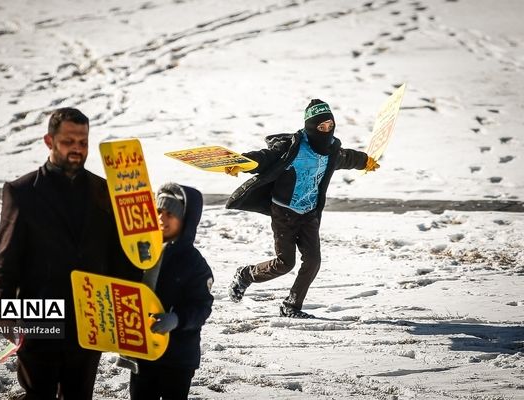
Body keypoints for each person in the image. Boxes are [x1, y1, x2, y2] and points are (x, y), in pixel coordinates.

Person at [0, 107, 140, 399]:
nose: (77, 149)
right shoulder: (21, 192)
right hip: (39, 315)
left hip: (91, 318)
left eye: (83, 142)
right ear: (49, 141)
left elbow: (118, 257)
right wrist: (2, 313)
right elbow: (5, 261)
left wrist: (131, 307)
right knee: (39, 393)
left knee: (79, 395)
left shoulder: (104, 190)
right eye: (69, 141)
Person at [226, 99, 380, 319]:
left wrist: (365, 161)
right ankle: (246, 275)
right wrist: (243, 162)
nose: (326, 131)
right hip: (284, 213)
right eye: (320, 127)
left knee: (313, 261)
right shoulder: (293, 147)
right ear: (310, 127)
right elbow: (265, 157)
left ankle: (291, 306)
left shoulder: (331, 150)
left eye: (329, 126)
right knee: (284, 263)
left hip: (309, 214)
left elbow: (347, 157)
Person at [127, 182, 214, 400]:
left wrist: (177, 319)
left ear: (185, 221)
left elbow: (201, 306)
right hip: (143, 352)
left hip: (178, 357)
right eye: (158, 211)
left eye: (170, 214)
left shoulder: (194, 264)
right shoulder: (141, 253)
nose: (162, 218)